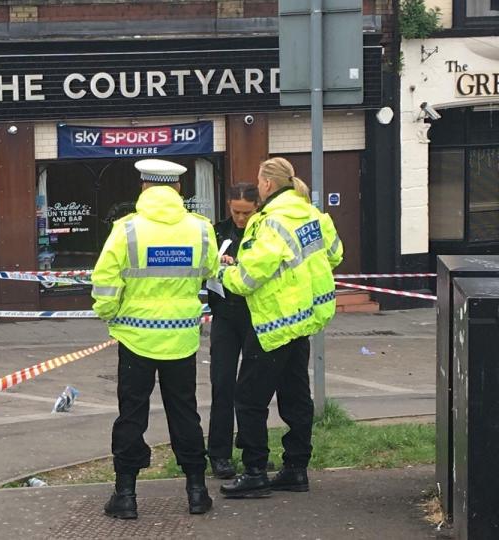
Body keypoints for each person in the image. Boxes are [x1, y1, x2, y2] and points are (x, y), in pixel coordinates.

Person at [92, 159, 219, 518]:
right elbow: (211, 270)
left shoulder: (126, 229)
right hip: (181, 338)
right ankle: (197, 492)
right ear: (178, 189)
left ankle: (126, 496)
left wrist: (109, 313)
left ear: (144, 188)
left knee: (132, 415)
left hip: (135, 339)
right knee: (185, 413)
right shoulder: (200, 228)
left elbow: (105, 281)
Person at [217, 157, 343, 499]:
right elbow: (334, 255)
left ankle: (255, 471)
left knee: (249, 399)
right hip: (304, 318)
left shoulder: (270, 222)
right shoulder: (313, 215)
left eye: (259, 182)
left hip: (274, 322)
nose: (258, 187)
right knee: (296, 397)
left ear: (268, 185)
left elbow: (247, 278)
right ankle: (295, 469)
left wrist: (220, 272)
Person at [206, 183, 260, 480]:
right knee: (222, 383)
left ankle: (254, 452)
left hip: (255, 314)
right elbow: (203, 266)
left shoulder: (263, 231)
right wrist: (217, 262)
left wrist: (240, 265)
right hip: (225, 315)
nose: (241, 219)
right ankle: (219, 454)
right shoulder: (218, 231)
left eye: (247, 213)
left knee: (252, 389)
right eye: (236, 212)